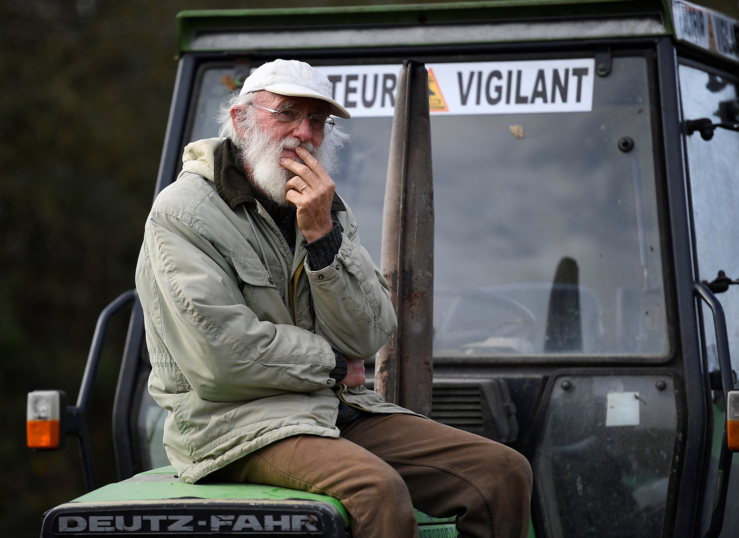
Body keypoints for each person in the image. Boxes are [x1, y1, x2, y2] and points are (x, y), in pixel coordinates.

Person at [135, 59, 532, 538]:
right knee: (376, 491)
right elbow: (220, 359)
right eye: (286, 114)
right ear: (241, 120)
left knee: (501, 472)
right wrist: (335, 365)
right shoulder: (182, 213)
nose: (303, 133)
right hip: (234, 428)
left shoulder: (323, 209)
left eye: (317, 121)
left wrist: (323, 238)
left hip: (332, 412)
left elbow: (370, 333)